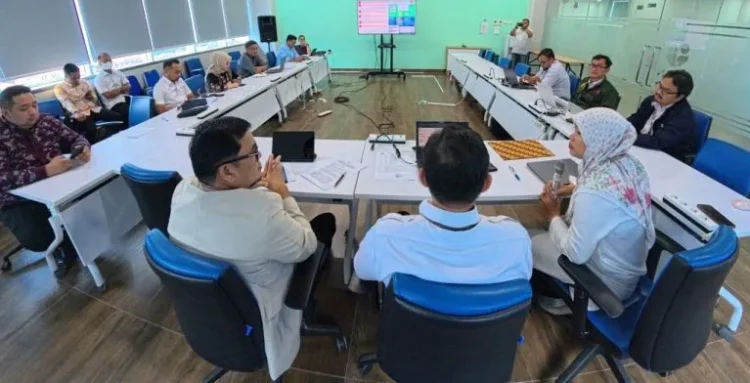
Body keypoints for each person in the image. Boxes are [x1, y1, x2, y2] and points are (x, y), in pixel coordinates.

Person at [168, 117, 336, 381]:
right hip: (260, 311)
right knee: (324, 224)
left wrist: (247, 187)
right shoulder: (263, 211)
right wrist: (282, 192)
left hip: (208, 318)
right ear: (227, 172)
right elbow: (306, 246)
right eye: (254, 153)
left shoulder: (182, 191)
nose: (260, 159)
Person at [354, 125, 532, 286]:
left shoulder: (386, 235)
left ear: (423, 178)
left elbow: (362, 271)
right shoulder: (516, 239)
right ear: (487, 183)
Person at [532, 108, 655, 315]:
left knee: (524, 240)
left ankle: (558, 299)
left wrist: (553, 215)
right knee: (549, 232)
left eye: (580, 133)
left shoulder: (594, 193)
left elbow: (575, 254)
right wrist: (571, 189)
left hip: (603, 286)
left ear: (599, 140)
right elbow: (609, 192)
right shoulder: (629, 163)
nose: (571, 136)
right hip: (625, 273)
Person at [0, 86, 90, 277]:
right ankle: (64, 246)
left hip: (57, 186)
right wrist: (46, 170)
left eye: (35, 105)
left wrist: (83, 148)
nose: (33, 112)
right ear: (6, 113)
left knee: (93, 200)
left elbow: (76, 138)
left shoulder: (47, 121)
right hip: (17, 200)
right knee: (38, 238)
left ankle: (78, 243)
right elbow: (3, 178)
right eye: (24, 108)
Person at [626, 70, 696, 163]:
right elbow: (636, 119)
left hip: (668, 158)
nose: (658, 91)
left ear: (680, 97)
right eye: (659, 86)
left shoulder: (683, 117)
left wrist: (627, 136)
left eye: (666, 91)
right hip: (644, 148)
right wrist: (620, 128)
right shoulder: (650, 100)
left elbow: (657, 141)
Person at [54, 63, 125, 143]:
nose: (77, 80)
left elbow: (93, 95)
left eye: (78, 77)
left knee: (116, 116)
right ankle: (90, 146)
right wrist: (76, 112)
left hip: (92, 109)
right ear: (66, 76)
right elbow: (66, 102)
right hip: (79, 114)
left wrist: (92, 97)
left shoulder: (84, 82)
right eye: (74, 78)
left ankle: (111, 138)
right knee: (91, 128)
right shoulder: (59, 88)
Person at [93, 53, 130, 124]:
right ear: (100, 63)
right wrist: (122, 89)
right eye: (105, 61)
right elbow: (108, 95)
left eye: (109, 60)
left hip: (126, 99)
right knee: (131, 112)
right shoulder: (98, 79)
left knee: (146, 105)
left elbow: (128, 86)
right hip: (114, 105)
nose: (108, 62)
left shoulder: (118, 73)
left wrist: (115, 91)